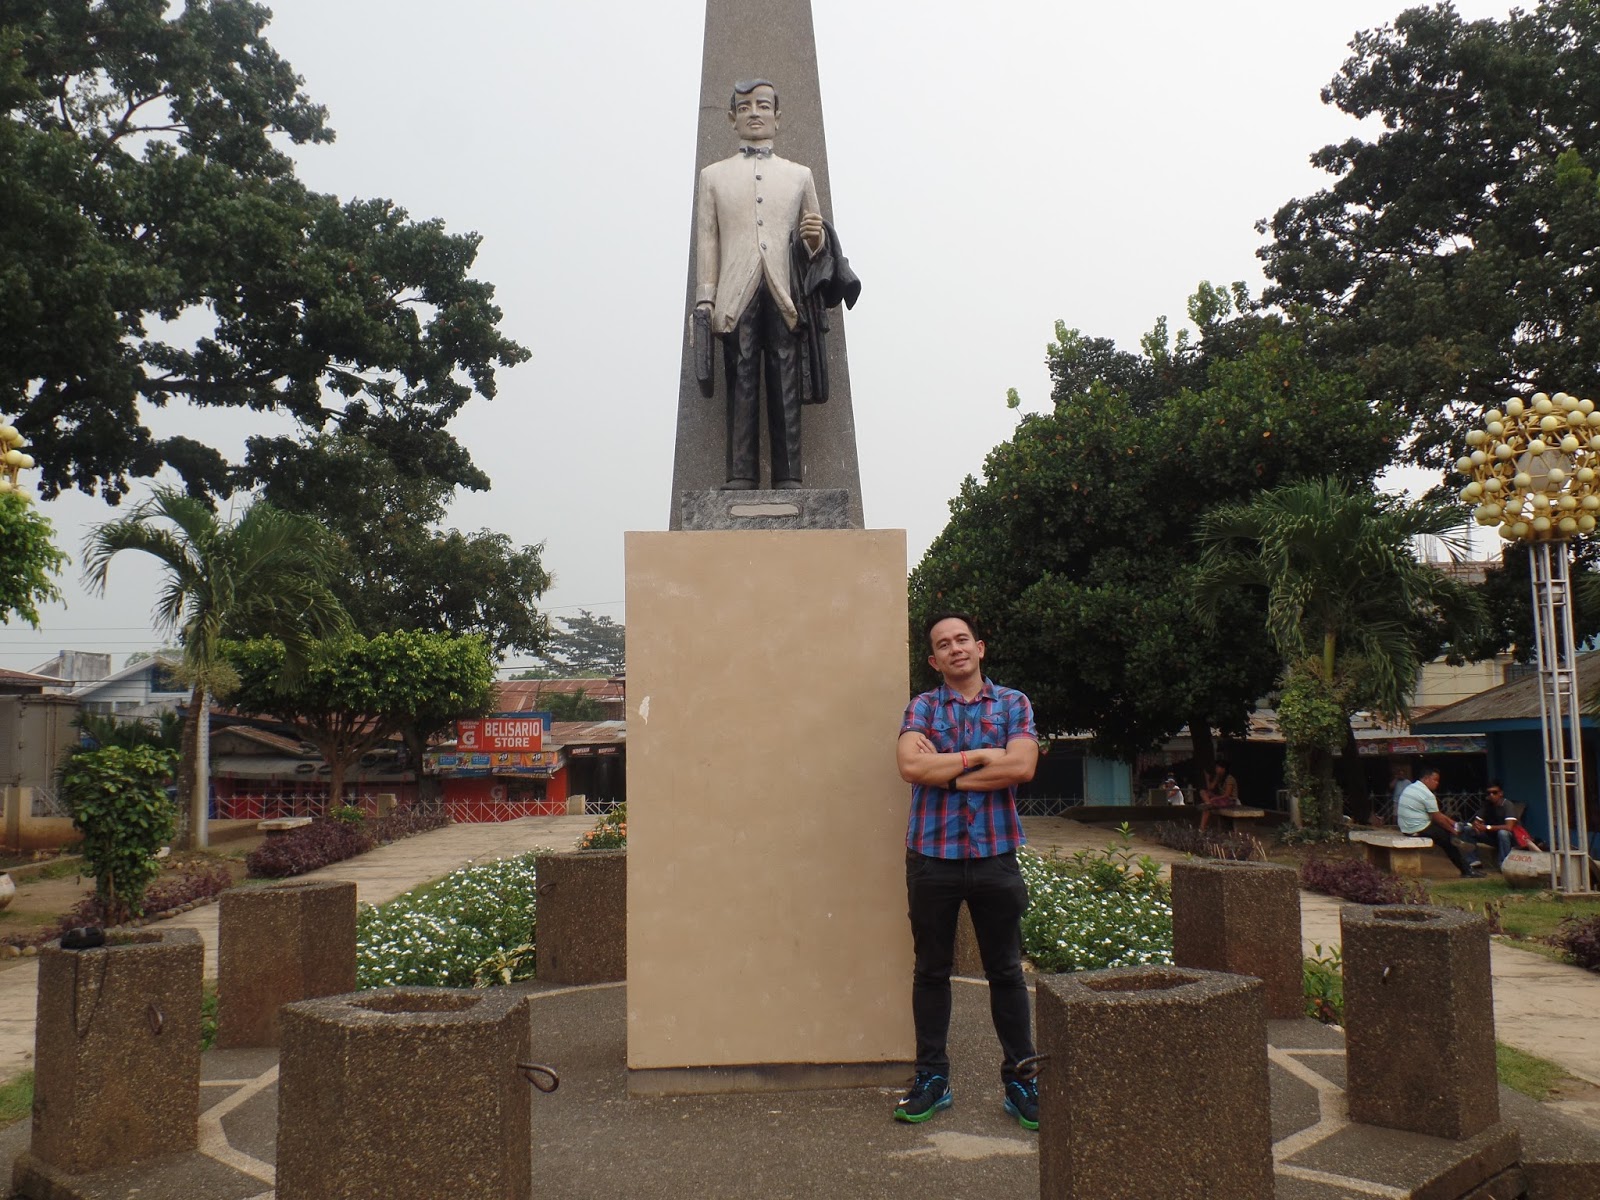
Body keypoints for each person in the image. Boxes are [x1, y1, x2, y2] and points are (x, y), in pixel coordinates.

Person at [895, 612, 1041, 1130]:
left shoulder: (1013, 703)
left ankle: (1021, 1078)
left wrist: (949, 772)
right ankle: (932, 1077)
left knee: (1005, 972)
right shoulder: (923, 707)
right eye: (943, 644)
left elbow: (1022, 766)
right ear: (934, 661)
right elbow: (911, 768)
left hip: (996, 858)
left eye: (963, 640)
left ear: (980, 648)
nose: (955, 649)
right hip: (932, 859)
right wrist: (982, 759)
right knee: (931, 972)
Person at [693, 80, 857, 489]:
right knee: (741, 374)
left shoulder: (800, 176)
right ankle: (740, 473)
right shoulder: (713, 177)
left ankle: (789, 476)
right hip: (735, 290)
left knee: (785, 375)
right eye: (744, 106)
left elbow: (812, 239)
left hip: (785, 288)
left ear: (777, 117)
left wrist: (814, 239)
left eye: (762, 106)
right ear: (731, 118)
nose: (754, 113)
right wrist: (705, 299)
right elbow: (708, 241)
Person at [1396, 766, 1486, 878]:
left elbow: (1437, 814)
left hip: (1406, 828)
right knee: (1447, 841)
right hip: (1417, 828)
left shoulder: (1411, 787)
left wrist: (1453, 823)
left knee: (1446, 832)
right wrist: (1452, 830)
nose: (1437, 783)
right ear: (1426, 779)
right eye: (1435, 780)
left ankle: (1457, 839)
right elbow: (1437, 818)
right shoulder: (1427, 794)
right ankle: (1466, 870)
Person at [1467, 782, 1517, 867]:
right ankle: (1474, 860)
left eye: (1494, 792)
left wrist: (1487, 827)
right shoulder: (1487, 805)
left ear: (1501, 793)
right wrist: (1476, 826)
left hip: (1510, 839)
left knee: (1503, 833)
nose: (1491, 795)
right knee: (1468, 829)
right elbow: (1477, 821)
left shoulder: (1507, 805)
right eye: (1489, 793)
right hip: (1492, 837)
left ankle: (1504, 864)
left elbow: (1509, 827)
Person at [1198, 760, 1238, 831]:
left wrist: (1214, 799)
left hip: (1229, 800)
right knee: (1203, 792)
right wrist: (1207, 778)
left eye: (1218, 767)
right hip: (1221, 799)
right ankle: (1209, 804)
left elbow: (1227, 795)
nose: (1216, 769)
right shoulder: (1218, 777)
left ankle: (1202, 829)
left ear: (1223, 769)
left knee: (1207, 808)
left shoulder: (1230, 779)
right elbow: (1210, 788)